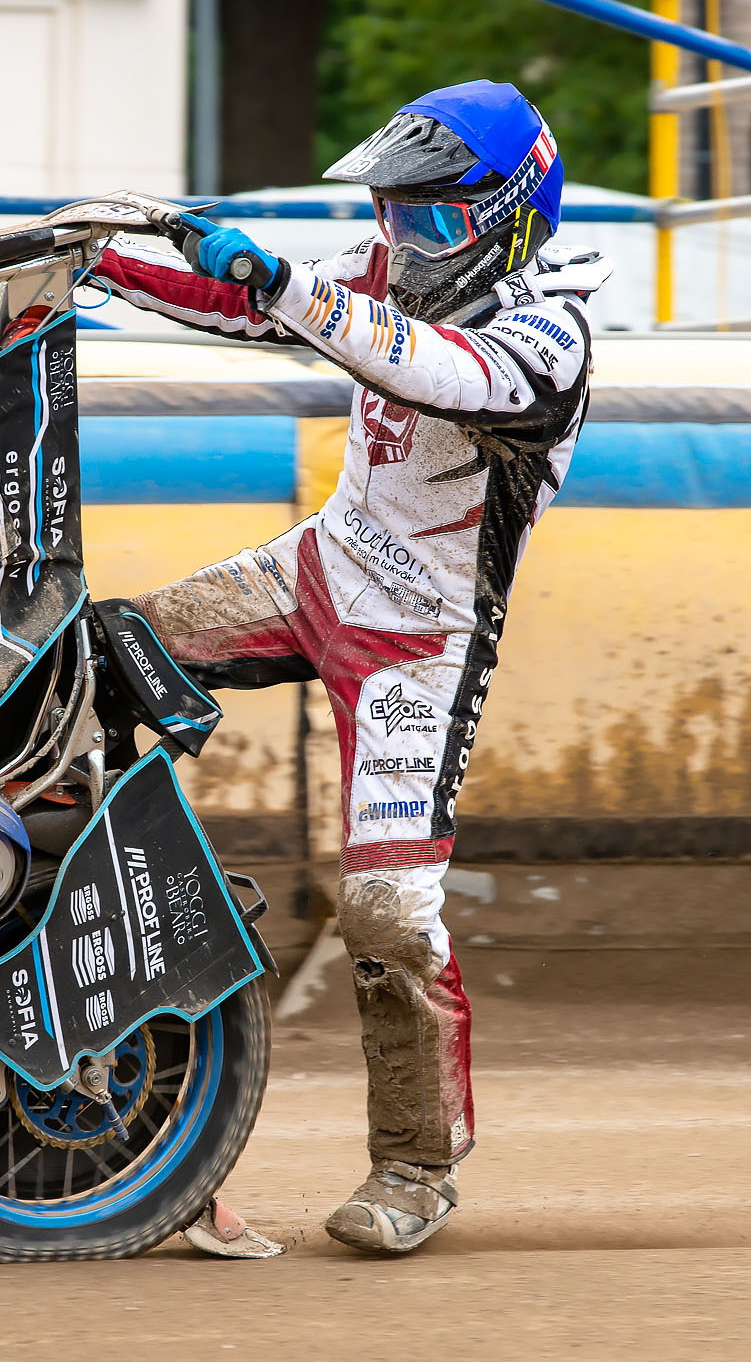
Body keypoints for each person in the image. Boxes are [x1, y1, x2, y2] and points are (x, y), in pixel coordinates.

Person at [95, 81, 603, 1258]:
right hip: (317, 568)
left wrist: (285, 284)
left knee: (386, 909)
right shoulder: (380, 276)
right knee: (94, 657)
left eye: (426, 220)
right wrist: (95, 270)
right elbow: (255, 310)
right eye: (385, 214)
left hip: (420, 642)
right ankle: (116, 1000)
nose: (397, 243)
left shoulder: (549, 334)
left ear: (509, 215)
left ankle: (417, 1165)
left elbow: (430, 370)